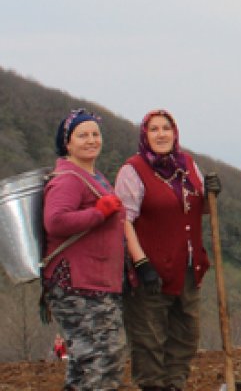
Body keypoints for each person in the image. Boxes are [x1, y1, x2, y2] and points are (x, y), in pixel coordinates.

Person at [117, 110, 219, 391]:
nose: (161, 134)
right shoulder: (133, 170)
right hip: (151, 271)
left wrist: (211, 195)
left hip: (188, 267)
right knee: (149, 339)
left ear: (175, 133)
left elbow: (201, 210)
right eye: (154, 129)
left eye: (166, 128)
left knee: (186, 334)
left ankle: (176, 385)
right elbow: (123, 220)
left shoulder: (187, 164)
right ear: (145, 135)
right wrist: (141, 263)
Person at [41, 109, 127, 391]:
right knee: (103, 359)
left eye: (94, 134)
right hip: (77, 283)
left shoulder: (92, 175)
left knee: (86, 362)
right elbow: (55, 221)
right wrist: (98, 213)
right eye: (82, 136)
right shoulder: (68, 179)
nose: (91, 140)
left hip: (95, 281)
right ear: (68, 143)